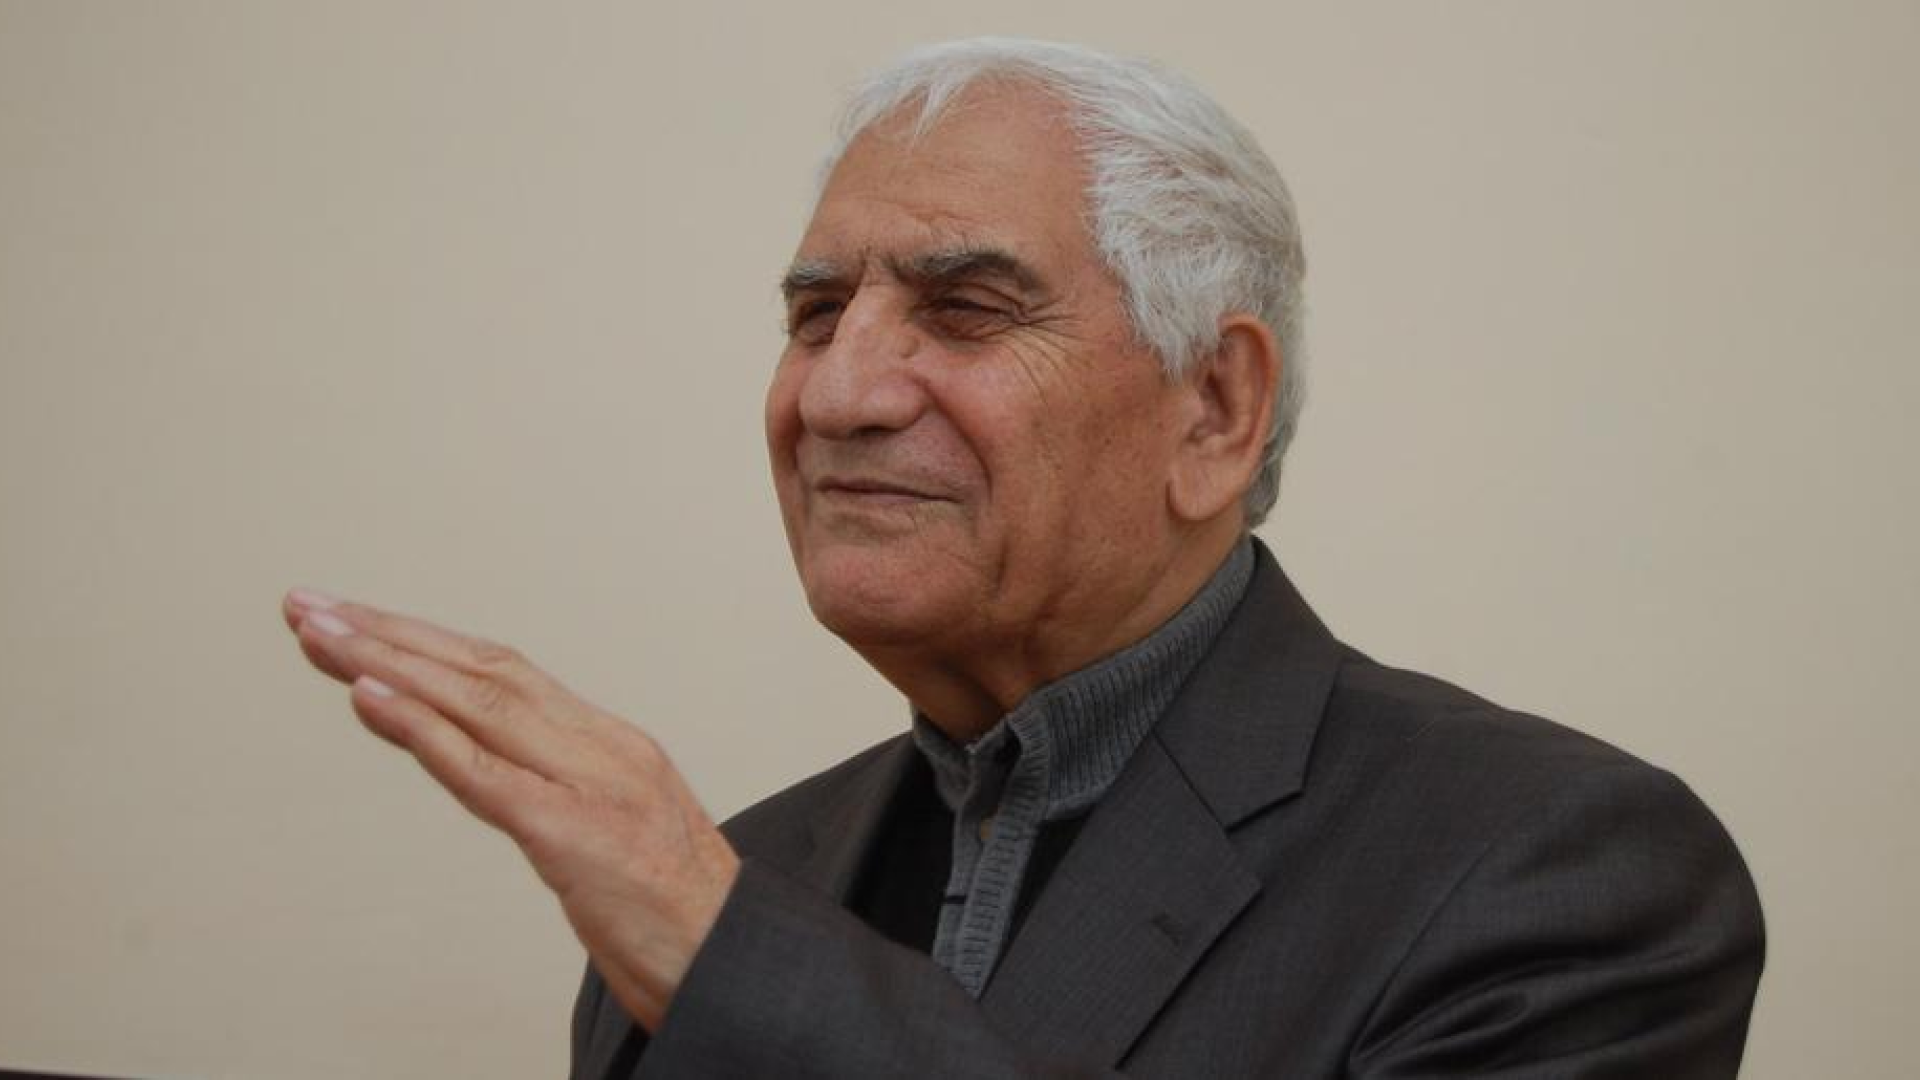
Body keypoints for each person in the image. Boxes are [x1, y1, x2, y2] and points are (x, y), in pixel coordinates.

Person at [282, 37, 1764, 1079]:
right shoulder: (740, 872)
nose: (838, 394)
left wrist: (743, 970)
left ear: (1214, 407)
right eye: (816, 315)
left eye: (967, 310)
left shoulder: (1548, 870)